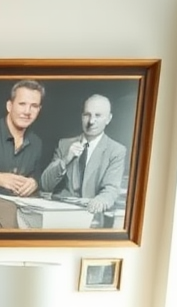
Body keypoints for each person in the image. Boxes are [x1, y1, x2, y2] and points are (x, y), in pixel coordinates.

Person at [40, 93, 127, 224]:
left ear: (108, 119)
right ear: (82, 117)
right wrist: (66, 159)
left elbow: (111, 189)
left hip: (93, 219)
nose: (91, 121)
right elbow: (45, 184)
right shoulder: (64, 144)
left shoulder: (116, 150)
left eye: (98, 115)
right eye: (87, 115)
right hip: (60, 216)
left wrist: (99, 202)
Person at [0, 79, 45, 197]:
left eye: (34, 106)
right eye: (22, 104)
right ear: (9, 106)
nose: (27, 111)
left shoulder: (37, 142)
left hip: (19, 209)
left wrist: (34, 183)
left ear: (39, 110)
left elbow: (37, 174)